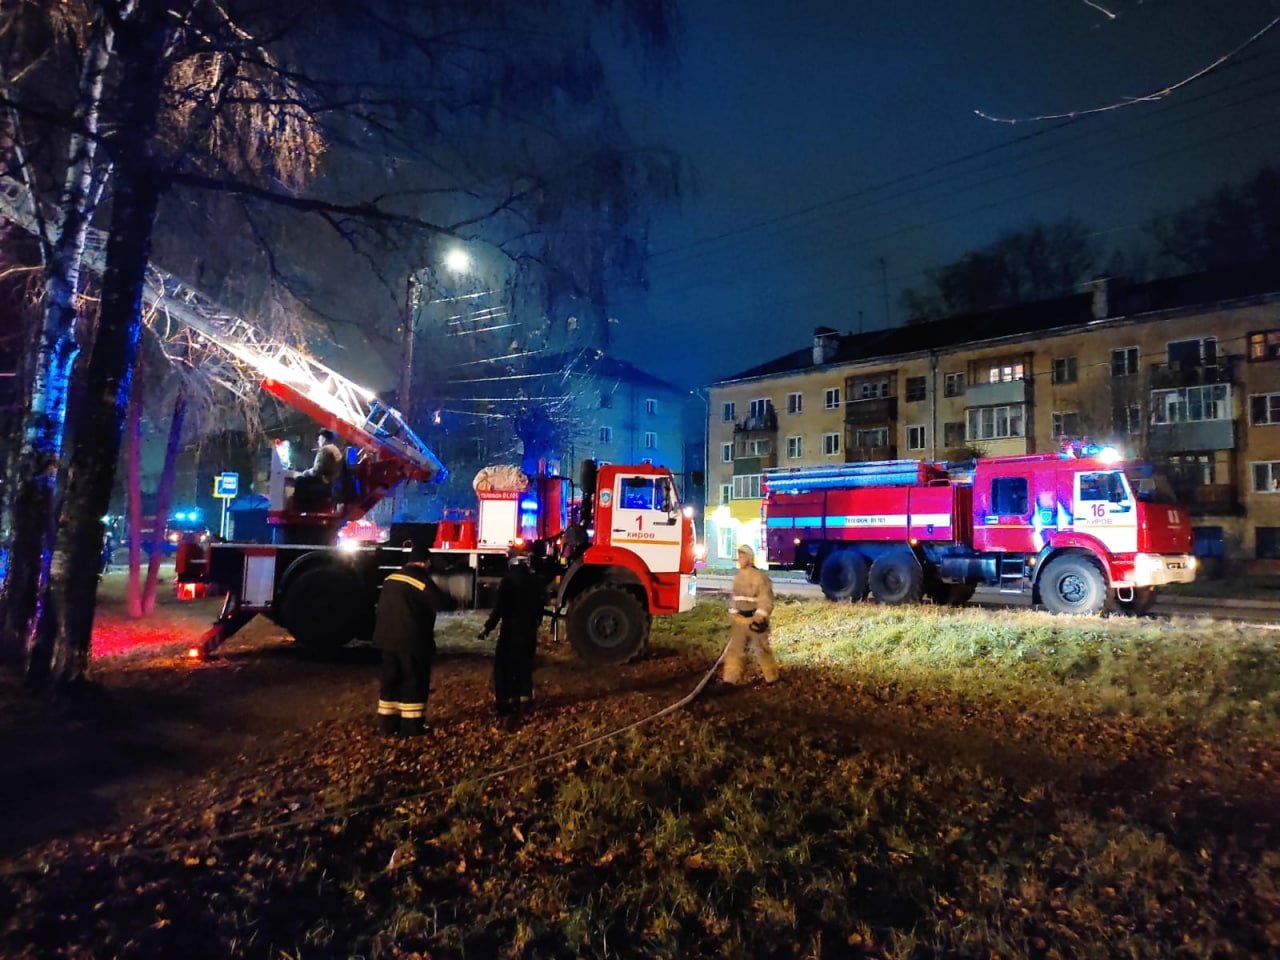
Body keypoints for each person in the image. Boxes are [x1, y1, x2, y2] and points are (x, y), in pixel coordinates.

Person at [373, 541, 454, 736]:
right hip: (411, 641)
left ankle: (388, 725)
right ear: (424, 562)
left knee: (391, 681)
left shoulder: (390, 578)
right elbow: (441, 603)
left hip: (386, 640)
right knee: (413, 681)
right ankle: (412, 726)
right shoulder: (420, 581)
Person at [480, 546, 547, 726]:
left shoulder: (508, 581)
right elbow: (541, 604)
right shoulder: (535, 581)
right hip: (529, 631)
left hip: (510, 631)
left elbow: (500, 608)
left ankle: (505, 704)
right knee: (525, 665)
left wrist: (488, 627)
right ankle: (525, 701)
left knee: (504, 667)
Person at [722, 543, 780, 686]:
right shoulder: (738, 578)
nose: (740, 559)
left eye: (743, 556)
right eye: (739, 556)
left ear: (750, 558)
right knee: (735, 651)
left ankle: (772, 678)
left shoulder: (760, 578)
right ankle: (729, 680)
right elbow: (735, 599)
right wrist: (733, 614)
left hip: (755, 622)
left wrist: (760, 616)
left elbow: (765, 599)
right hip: (740, 621)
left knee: (762, 650)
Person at [295, 429, 343, 510]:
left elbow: (317, 470)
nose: (318, 441)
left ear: (324, 439)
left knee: (300, 480)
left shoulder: (326, 449)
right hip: (332, 482)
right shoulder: (335, 449)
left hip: (326, 483)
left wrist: (305, 472)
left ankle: (302, 508)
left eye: (319, 439)